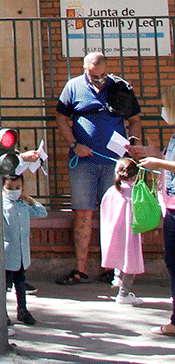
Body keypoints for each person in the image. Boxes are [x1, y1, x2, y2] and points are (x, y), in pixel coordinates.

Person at [55, 52, 142, 285]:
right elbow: (61, 118)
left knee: (113, 214)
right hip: (83, 162)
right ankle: (80, 269)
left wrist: (133, 145)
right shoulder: (73, 87)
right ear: (85, 69)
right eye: (95, 76)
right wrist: (74, 144)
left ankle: (111, 269)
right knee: (83, 213)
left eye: (103, 75)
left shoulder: (121, 86)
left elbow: (134, 120)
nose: (100, 80)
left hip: (114, 163)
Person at [127, 83, 175, 335]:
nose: (162, 111)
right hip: (171, 207)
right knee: (171, 261)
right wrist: (152, 154)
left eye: (164, 106)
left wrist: (158, 161)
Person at [99, 157, 145, 305]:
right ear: (134, 176)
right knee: (131, 261)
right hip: (130, 233)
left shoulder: (112, 191)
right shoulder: (134, 192)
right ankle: (124, 293)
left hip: (113, 233)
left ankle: (117, 278)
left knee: (119, 256)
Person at [2, 174, 47, 326]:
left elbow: (42, 213)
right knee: (4, 286)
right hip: (7, 254)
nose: (14, 191)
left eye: (17, 187)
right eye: (10, 188)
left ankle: (22, 310)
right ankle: (2, 313)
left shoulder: (23, 205)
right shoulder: (1, 204)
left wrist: (28, 199)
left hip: (21, 254)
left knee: (20, 284)